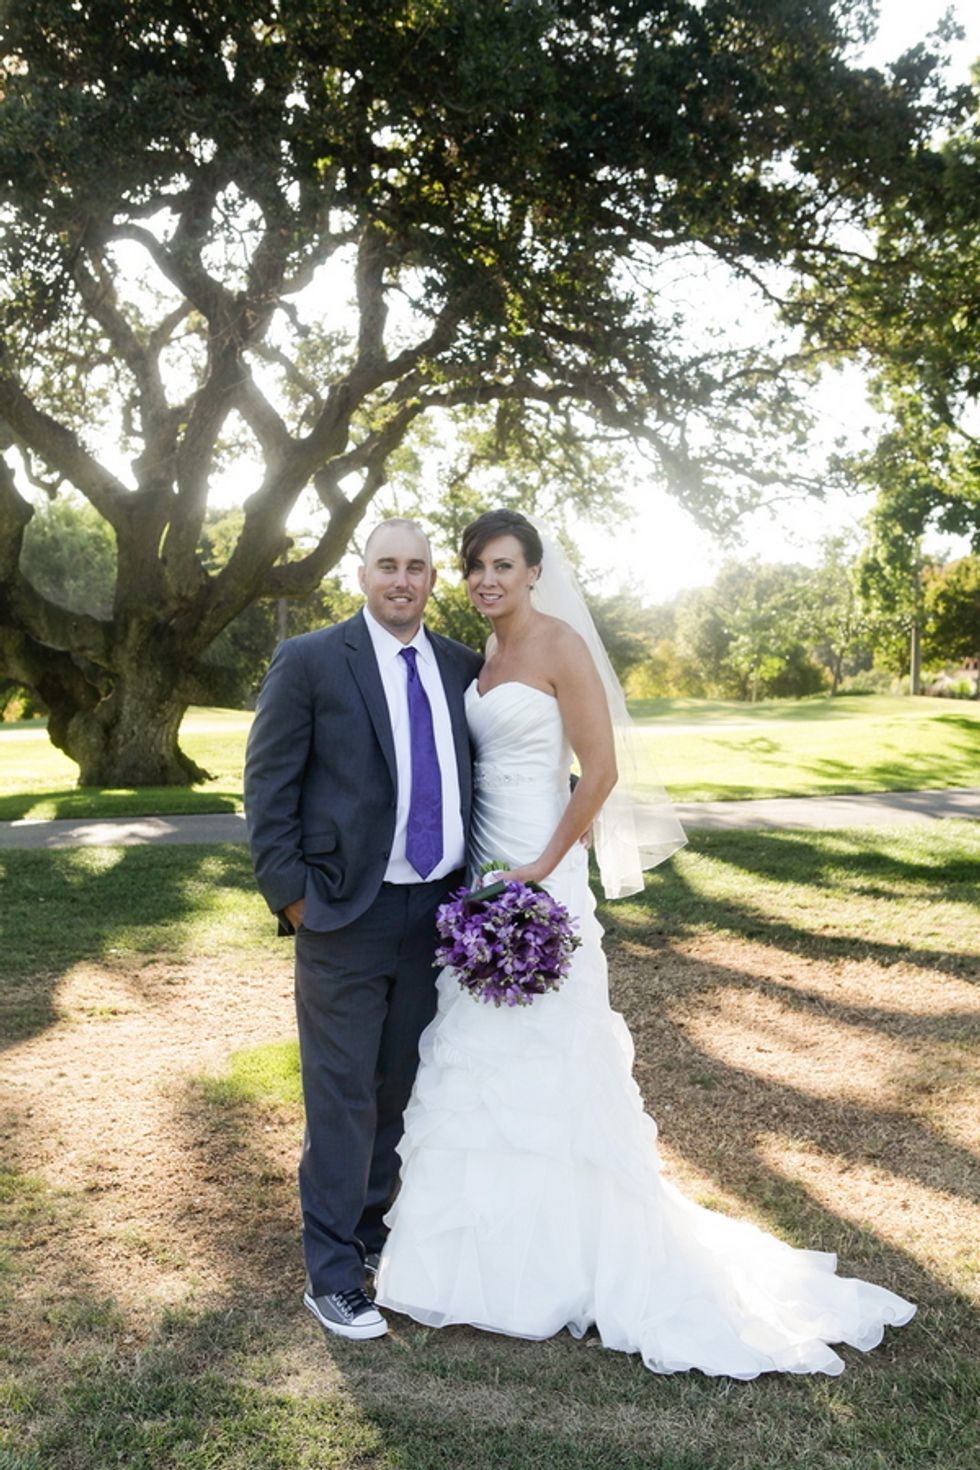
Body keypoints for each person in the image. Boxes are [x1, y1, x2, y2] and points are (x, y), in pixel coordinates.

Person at [375, 508, 916, 1378]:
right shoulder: (479, 664)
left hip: (541, 882)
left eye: (503, 565)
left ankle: (570, 1263)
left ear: (534, 572)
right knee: (476, 1065)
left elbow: (602, 767)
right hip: (480, 883)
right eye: (475, 565)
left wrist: (548, 861)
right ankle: (478, 1269)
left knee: (552, 1064)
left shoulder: (558, 647)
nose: (486, 580)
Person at [244, 518, 482, 1341]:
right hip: (344, 912)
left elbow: (488, 767)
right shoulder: (311, 661)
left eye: (417, 568)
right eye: (388, 565)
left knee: (398, 1086)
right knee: (340, 1094)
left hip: (437, 916)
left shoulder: (460, 667)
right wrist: (293, 898)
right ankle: (333, 1275)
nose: (402, 580)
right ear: (362, 573)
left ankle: (374, 1232)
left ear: (431, 581)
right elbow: (268, 785)